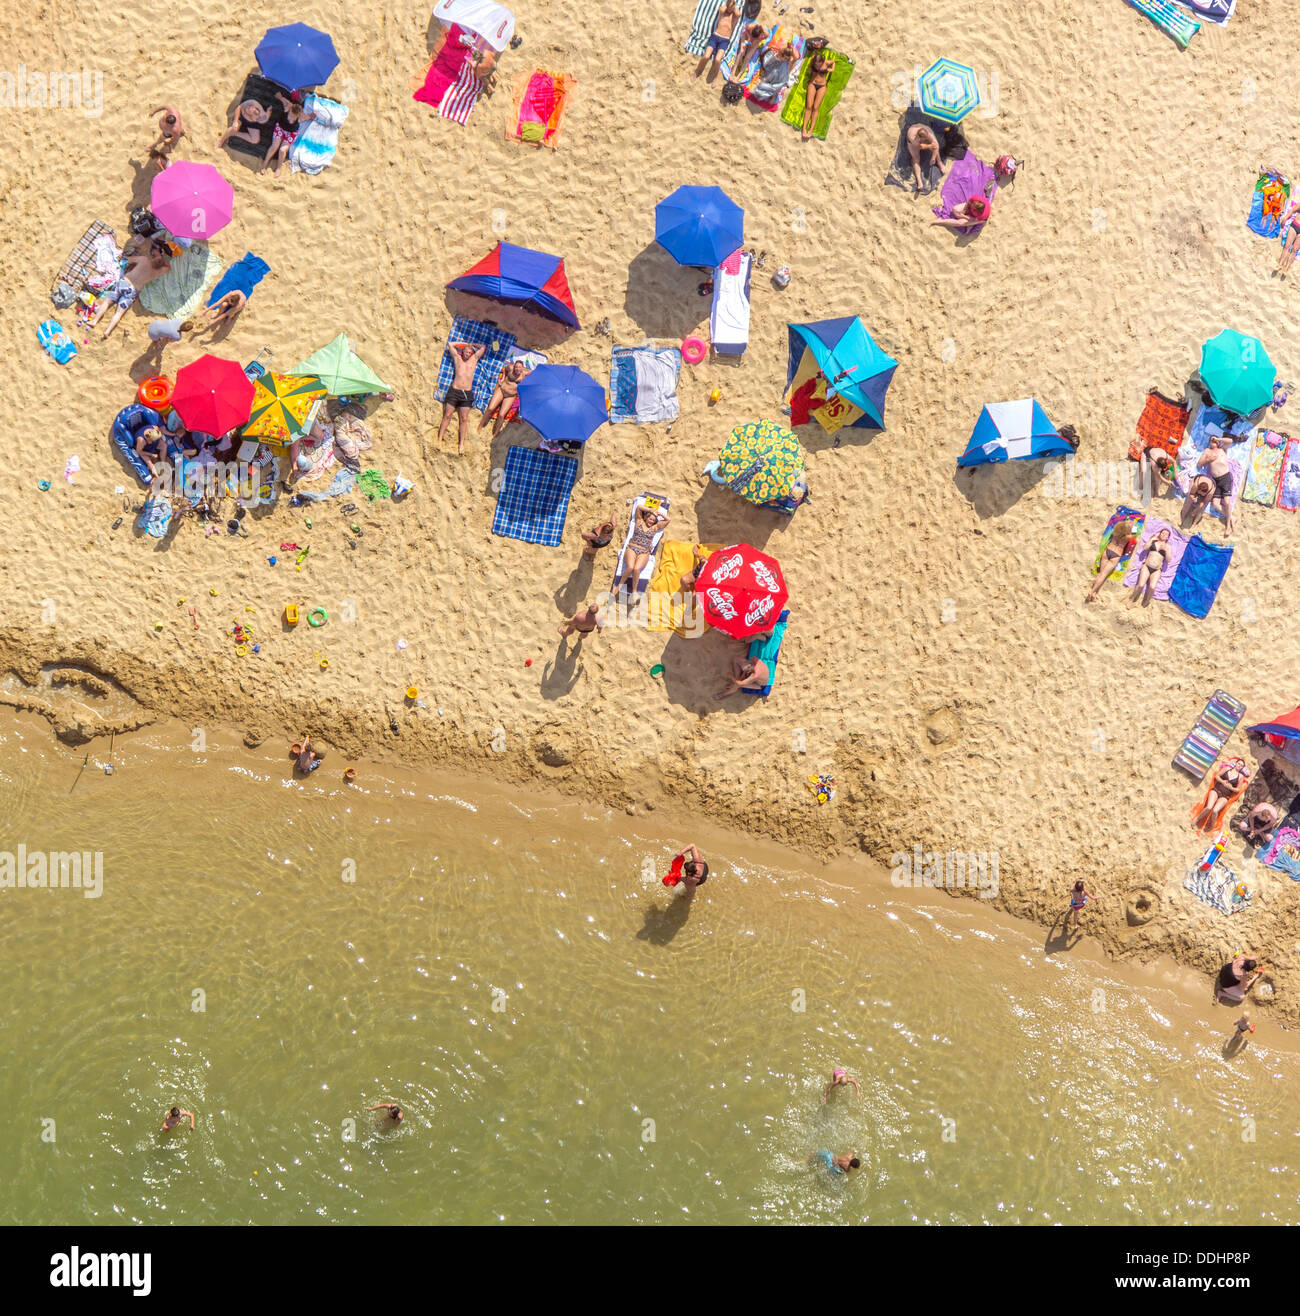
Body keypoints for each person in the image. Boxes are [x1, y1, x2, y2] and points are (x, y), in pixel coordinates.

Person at [91, 238, 172, 338]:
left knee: (107, 302)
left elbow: (128, 260)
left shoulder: (144, 260)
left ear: (153, 257)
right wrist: (161, 259)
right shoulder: (156, 272)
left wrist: (156, 254)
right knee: (119, 313)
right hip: (133, 291)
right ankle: (107, 331)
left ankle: (94, 321)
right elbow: (168, 267)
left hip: (124, 282)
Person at [437, 342, 487, 453]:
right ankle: (440, 439)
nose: (467, 354)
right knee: (447, 415)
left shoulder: (474, 359)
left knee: (464, 419)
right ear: (463, 351)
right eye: (466, 352)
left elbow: (483, 347)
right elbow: (450, 345)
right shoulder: (457, 358)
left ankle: (461, 445)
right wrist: (464, 344)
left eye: (469, 352)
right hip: (454, 391)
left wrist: (472, 345)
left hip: (466, 393)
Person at [612, 502, 669, 594]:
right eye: (650, 519)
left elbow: (668, 520)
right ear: (646, 517)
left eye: (653, 520)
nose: (651, 521)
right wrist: (650, 510)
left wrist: (660, 514)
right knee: (630, 567)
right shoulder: (639, 521)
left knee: (636, 569)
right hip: (632, 548)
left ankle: (634, 590)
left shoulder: (655, 527)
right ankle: (619, 586)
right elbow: (639, 507)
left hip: (644, 552)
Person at [1085, 517, 1138, 603]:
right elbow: (1135, 534)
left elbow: (1120, 525)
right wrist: (1133, 525)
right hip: (1116, 555)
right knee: (1103, 575)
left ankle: (1094, 594)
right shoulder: (1128, 537)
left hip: (1108, 551)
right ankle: (1091, 592)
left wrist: (1126, 524)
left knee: (1101, 574)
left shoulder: (1116, 531)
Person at [1191, 436, 1237, 536]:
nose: (1213, 441)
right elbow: (1199, 464)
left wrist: (1219, 439)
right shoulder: (1207, 451)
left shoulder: (1222, 450)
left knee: (1227, 502)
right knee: (1215, 504)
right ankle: (1232, 517)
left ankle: (1228, 526)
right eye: (1211, 439)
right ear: (1209, 442)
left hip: (1225, 478)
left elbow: (1230, 441)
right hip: (1215, 480)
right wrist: (1208, 459)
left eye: (1215, 440)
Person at [262, 90, 315, 176]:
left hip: (291, 133)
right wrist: (279, 96)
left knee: (282, 150)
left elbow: (310, 117)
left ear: (298, 116)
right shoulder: (288, 106)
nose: (290, 118)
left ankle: (278, 168)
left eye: (293, 117)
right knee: (274, 146)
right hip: (280, 128)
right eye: (290, 115)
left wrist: (312, 116)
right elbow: (281, 98)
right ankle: (265, 163)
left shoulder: (302, 116)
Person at [1192, 757, 1249, 833]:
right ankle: (1197, 819)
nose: (1239, 766)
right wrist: (1222, 781)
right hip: (1216, 790)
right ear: (1235, 763)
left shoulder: (1240, 777)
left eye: (1241, 765)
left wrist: (1231, 787)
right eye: (1239, 763)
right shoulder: (1227, 769)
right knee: (1209, 807)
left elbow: (1238, 789)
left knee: (1215, 810)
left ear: (1242, 768)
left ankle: (1212, 825)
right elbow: (1217, 776)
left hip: (1225, 796)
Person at [480, 359, 529, 437]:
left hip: (511, 396)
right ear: (514, 367)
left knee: (502, 415)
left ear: (522, 368)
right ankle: (481, 425)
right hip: (501, 390)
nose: (517, 369)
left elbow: (535, 374)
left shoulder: (525, 374)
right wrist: (502, 378)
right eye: (516, 367)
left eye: (519, 367)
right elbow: (504, 369)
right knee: (490, 408)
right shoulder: (510, 368)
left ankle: (496, 432)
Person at [1125, 527, 1171, 609]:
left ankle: (1146, 602)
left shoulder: (1168, 547)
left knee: (1152, 587)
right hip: (1146, 566)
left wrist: (1166, 551)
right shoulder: (1154, 541)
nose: (1164, 535)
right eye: (1162, 533)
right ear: (1160, 534)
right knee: (1141, 585)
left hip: (1157, 570)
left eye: (1166, 534)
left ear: (1167, 537)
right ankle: (1131, 599)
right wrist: (1151, 540)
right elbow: (1145, 548)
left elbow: (1168, 560)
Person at [697, 1, 739, 79]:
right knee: (706, 56)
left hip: (725, 40)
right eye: (728, 8)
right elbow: (722, 9)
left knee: (717, 59)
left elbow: (738, 14)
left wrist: (733, 5)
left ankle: (715, 76)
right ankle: (697, 71)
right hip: (715, 36)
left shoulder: (734, 16)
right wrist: (728, 5)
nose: (729, 10)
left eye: (731, 8)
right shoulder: (722, 12)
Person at [801, 44, 835, 140]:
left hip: (822, 86)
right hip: (812, 84)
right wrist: (810, 69)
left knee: (816, 108)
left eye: (818, 64)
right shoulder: (813, 61)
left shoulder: (826, 62)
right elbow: (812, 57)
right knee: (809, 107)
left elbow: (833, 62)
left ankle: (810, 130)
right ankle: (804, 129)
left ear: (822, 61)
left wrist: (831, 69)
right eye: (816, 64)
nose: (817, 65)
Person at [907, 122, 945, 190]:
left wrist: (933, 158)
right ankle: (919, 180)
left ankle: (940, 163)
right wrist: (929, 146)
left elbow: (936, 145)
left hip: (923, 136)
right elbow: (919, 146)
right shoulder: (912, 136)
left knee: (934, 147)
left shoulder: (929, 133)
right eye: (924, 139)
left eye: (926, 138)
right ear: (918, 137)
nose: (925, 140)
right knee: (916, 158)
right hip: (912, 144)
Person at [147, 104, 185, 169]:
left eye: (168, 125)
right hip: (171, 130)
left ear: (173, 124)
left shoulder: (175, 130)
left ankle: (153, 145)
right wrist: (154, 112)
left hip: (167, 133)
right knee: (180, 131)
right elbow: (163, 106)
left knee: (161, 139)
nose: (166, 125)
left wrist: (168, 143)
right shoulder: (172, 110)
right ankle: (182, 132)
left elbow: (175, 138)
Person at [1277, 195, 1300, 275]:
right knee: (1287, 246)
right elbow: (1293, 210)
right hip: (1295, 225)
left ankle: (1286, 268)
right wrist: (1285, 218)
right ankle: (1280, 264)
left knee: (1295, 250)